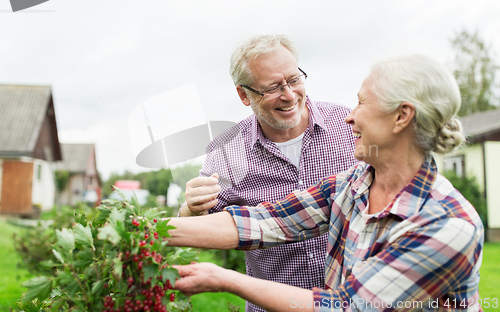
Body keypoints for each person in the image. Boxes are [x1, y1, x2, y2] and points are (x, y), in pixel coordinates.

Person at [168, 54, 484, 312]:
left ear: (401, 117)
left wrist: (226, 279)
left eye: (362, 104)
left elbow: (349, 307)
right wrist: (143, 230)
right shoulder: (352, 186)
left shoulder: (448, 224)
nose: (350, 117)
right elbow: (263, 222)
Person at [178, 35, 357, 311]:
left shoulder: (348, 127)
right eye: (272, 87)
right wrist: (191, 210)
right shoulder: (226, 152)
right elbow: (205, 225)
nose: (288, 95)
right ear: (243, 95)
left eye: (295, 79)